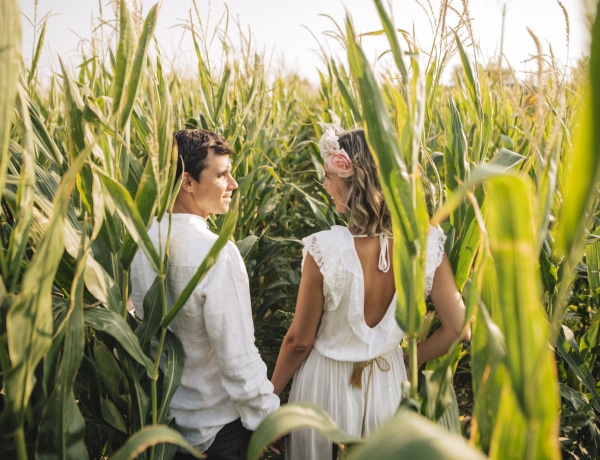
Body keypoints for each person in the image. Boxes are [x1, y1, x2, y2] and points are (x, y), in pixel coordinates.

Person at [270, 127, 470, 459]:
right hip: (386, 385)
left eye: (329, 176)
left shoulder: (325, 249)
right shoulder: (425, 243)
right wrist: (407, 361)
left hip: (323, 391)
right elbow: (459, 327)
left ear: (352, 181)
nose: (325, 186)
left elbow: (299, 341)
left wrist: (271, 399)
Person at [129, 129, 280, 460]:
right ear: (187, 182)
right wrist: (267, 416)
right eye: (222, 174)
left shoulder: (139, 244)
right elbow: (236, 356)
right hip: (218, 432)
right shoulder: (216, 254)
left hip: (163, 427)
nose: (234, 184)